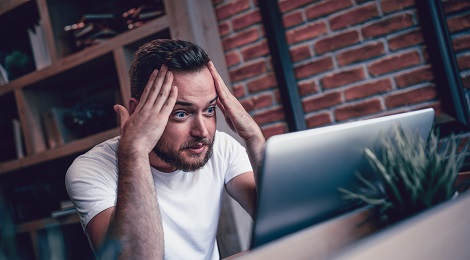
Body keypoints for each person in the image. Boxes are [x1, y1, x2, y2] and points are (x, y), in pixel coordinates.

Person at [65, 39, 265, 259]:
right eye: (181, 113)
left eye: (209, 110)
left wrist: (253, 136)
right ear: (138, 111)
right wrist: (134, 153)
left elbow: (279, 218)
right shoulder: (90, 169)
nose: (202, 131)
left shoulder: (221, 146)